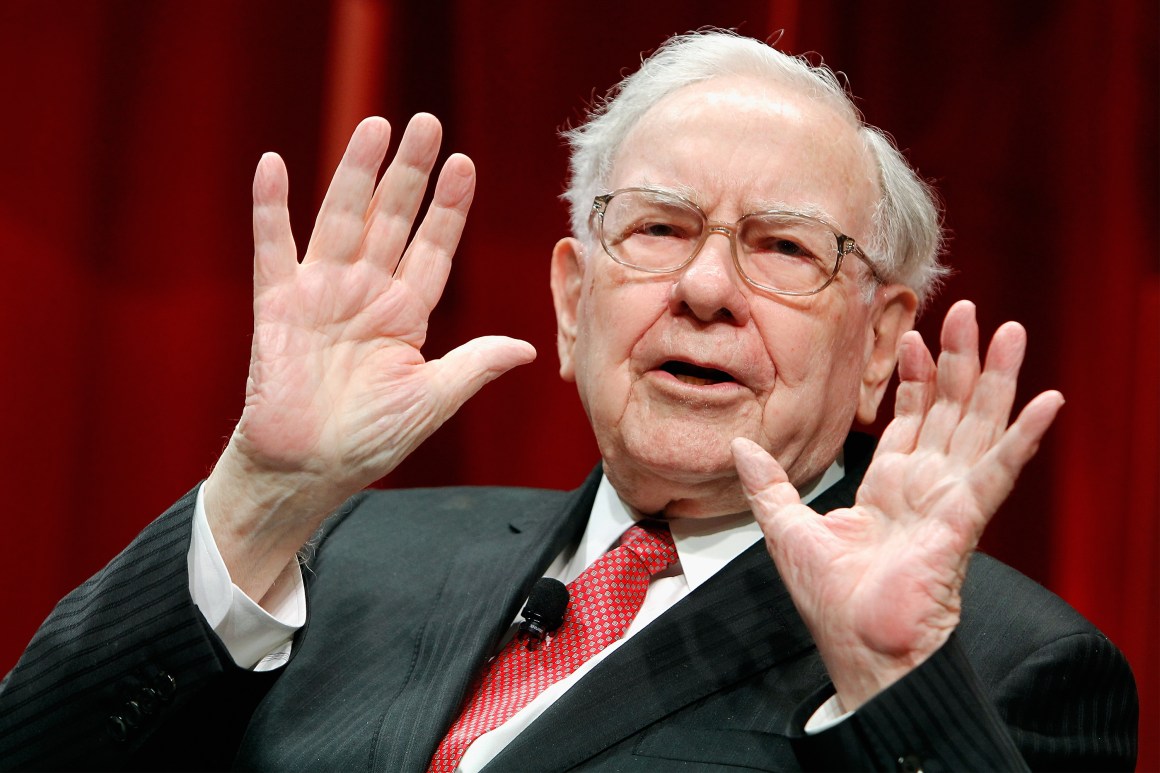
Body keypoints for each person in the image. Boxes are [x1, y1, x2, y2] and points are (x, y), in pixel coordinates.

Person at [0, 30, 1137, 772]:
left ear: (881, 342)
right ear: (570, 299)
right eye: (657, 228)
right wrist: (259, 496)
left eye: (782, 247)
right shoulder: (344, 552)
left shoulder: (997, 663)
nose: (703, 289)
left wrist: (895, 682)